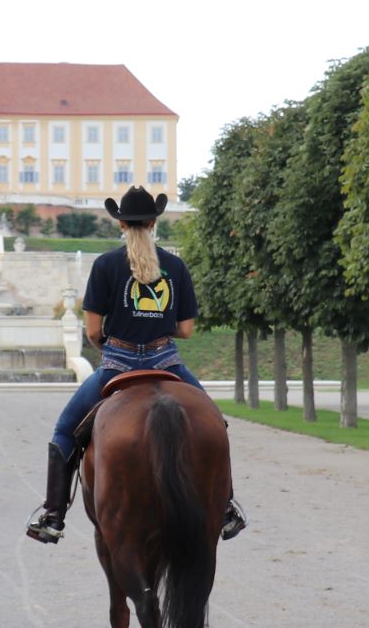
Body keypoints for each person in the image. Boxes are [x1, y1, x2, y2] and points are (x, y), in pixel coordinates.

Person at [26, 185, 245, 544]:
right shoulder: (175, 266)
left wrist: (113, 342)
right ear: (155, 222)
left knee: (65, 430)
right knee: (214, 424)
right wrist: (155, 326)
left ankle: (53, 515)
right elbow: (187, 330)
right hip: (167, 363)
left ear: (121, 225)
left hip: (118, 363)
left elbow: (94, 330)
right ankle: (224, 510)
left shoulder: (105, 265)